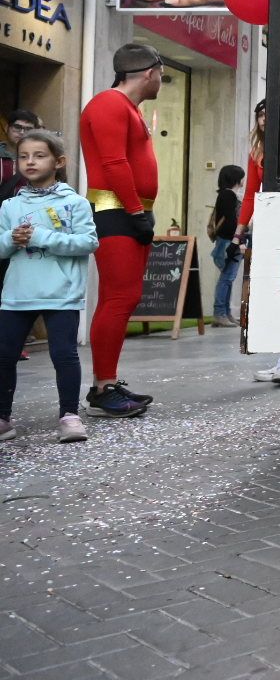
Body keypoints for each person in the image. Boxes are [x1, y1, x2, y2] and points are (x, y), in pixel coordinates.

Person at [79, 42, 163, 418]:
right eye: (161, 74)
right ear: (150, 72)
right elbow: (114, 164)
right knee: (118, 298)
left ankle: (107, 383)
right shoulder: (110, 104)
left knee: (122, 298)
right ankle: (102, 387)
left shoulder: (123, 107)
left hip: (126, 212)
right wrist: (135, 212)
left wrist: (140, 211)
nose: (161, 80)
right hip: (116, 212)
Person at [0, 130, 97, 443]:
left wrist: (42, 237)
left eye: (39, 155)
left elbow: (88, 242)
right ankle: (3, 417)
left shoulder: (76, 203)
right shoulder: (9, 206)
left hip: (62, 294)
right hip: (17, 293)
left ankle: (69, 415)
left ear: (59, 161)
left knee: (64, 354)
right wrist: (9, 239)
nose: (30, 162)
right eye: (23, 156)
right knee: (3, 355)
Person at [234, 100, 280, 386]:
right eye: (259, 114)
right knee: (276, 286)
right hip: (269, 222)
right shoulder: (257, 152)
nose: (263, 119)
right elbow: (250, 193)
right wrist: (238, 233)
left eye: (267, 113)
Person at [209, 165, 245, 328]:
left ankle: (225, 312)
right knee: (227, 277)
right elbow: (231, 221)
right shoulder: (229, 195)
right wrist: (239, 240)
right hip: (229, 241)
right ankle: (220, 313)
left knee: (228, 277)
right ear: (236, 179)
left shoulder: (224, 195)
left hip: (226, 239)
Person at [0, 109, 39, 194]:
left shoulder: (41, 158)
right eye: (17, 127)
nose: (22, 132)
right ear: (7, 128)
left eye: (28, 129)